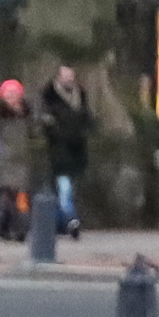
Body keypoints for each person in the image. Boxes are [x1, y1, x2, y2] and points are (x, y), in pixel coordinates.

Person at [38, 63, 89, 237]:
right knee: (64, 187)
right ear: (58, 77)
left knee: (69, 189)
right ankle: (71, 220)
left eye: (71, 76)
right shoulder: (49, 97)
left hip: (77, 149)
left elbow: (86, 118)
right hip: (60, 150)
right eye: (66, 76)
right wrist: (56, 132)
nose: (69, 79)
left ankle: (62, 223)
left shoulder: (80, 95)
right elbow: (45, 123)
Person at [0, 78, 33, 242]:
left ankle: (21, 229)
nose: (12, 97)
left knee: (21, 198)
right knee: (6, 199)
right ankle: (4, 228)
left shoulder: (26, 115)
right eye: (8, 94)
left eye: (15, 94)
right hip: (5, 162)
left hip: (22, 161)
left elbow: (33, 135)